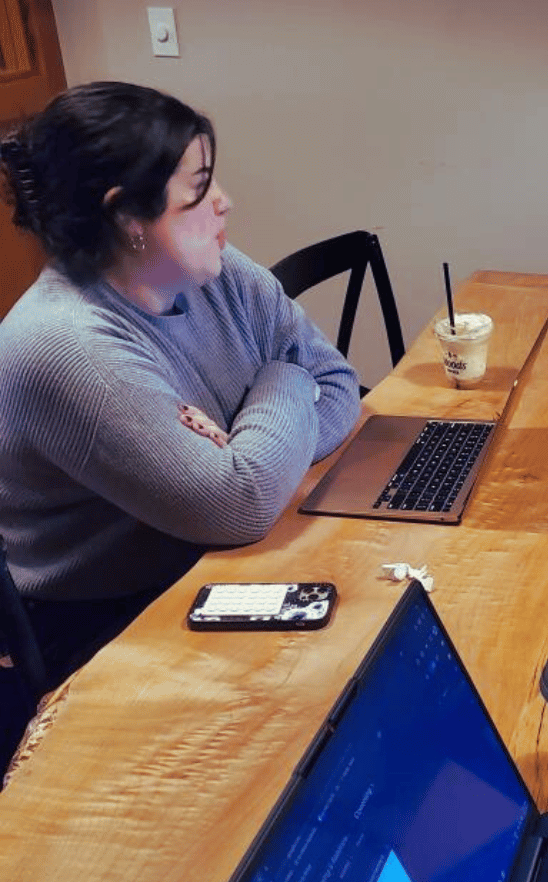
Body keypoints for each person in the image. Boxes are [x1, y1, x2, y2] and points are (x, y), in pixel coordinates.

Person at [0, 81, 361, 702]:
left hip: (218, 560)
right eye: (197, 189)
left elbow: (337, 382)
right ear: (127, 217)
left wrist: (257, 435)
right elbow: (239, 503)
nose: (224, 202)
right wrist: (283, 382)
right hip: (114, 620)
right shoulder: (65, 344)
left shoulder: (210, 269)